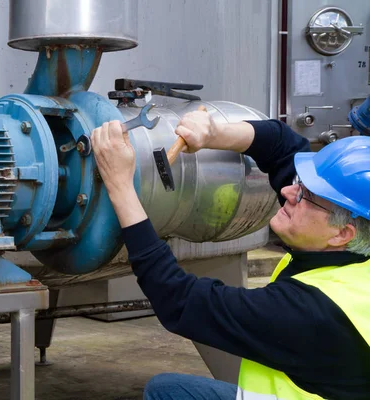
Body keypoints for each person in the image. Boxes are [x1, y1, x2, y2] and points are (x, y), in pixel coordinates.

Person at [90, 110, 370, 400]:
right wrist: (213, 134)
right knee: (168, 389)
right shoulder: (351, 243)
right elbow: (284, 145)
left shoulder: (312, 312)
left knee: (167, 393)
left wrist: (121, 186)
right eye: (300, 180)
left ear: (342, 234)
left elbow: (178, 299)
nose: (288, 190)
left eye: (304, 195)